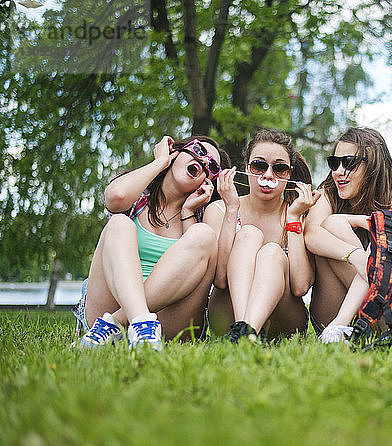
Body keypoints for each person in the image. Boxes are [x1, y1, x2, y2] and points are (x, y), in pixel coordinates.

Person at [73, 135, 230, 350]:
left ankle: (124, 323)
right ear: (177, 152)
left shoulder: (205, 213)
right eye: (199, 151)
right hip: (107, 307)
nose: (203, 163)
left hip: (170, 322)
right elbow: (115, 197)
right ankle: (139, 322)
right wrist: (159, 163)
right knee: (119, 223)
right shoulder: (137, 197)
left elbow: (212, 272)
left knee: (204, 234)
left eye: (211, 167)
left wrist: (188, 213)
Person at [204, 129, 320, 342]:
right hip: (227, 313)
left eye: (279, 168)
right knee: (248, 234)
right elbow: (220, 279)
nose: (268, 175)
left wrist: (293, 217)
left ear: (290, 174)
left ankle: (244, 333)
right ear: (246, 167)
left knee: (271, 252)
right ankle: (244, 331)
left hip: (282, 320)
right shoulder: (219, 210)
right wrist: (232, 210)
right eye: (259, 166)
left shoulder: (300, 216)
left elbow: (301, 286)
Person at [304, 127, 392, 343]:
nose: (338, 171)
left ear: (374, 166)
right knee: (332, 225)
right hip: (329, 311)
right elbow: (312, 234)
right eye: (334, 163)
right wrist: (356, 256)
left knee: (379, 239)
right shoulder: (329, 194)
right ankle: (337, 327)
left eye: (349, 163)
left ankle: (342, 328)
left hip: (384, 310)